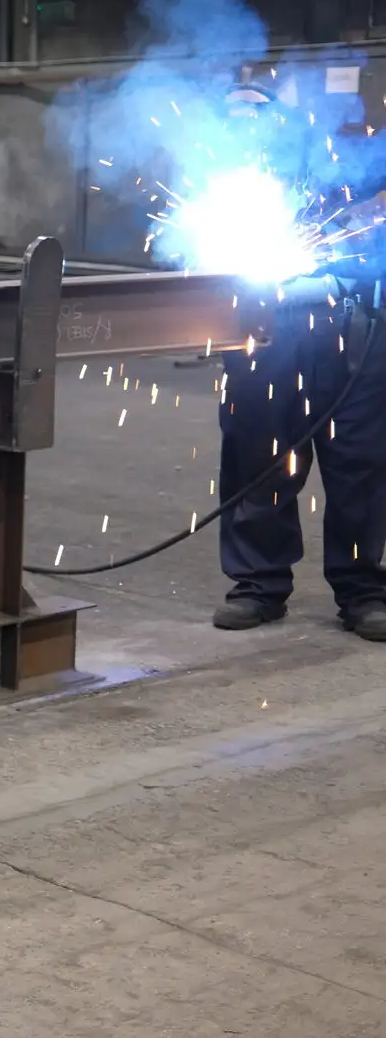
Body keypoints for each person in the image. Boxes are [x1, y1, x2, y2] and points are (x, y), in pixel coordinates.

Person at [212, 81, 386, 637]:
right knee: (259, 455)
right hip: (262, 332)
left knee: (360, 461)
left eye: (256, 121)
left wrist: (361, 223)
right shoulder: (216, 181)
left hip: (350, 326)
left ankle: (364, 589)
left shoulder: (333, 162)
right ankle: (258, 583)